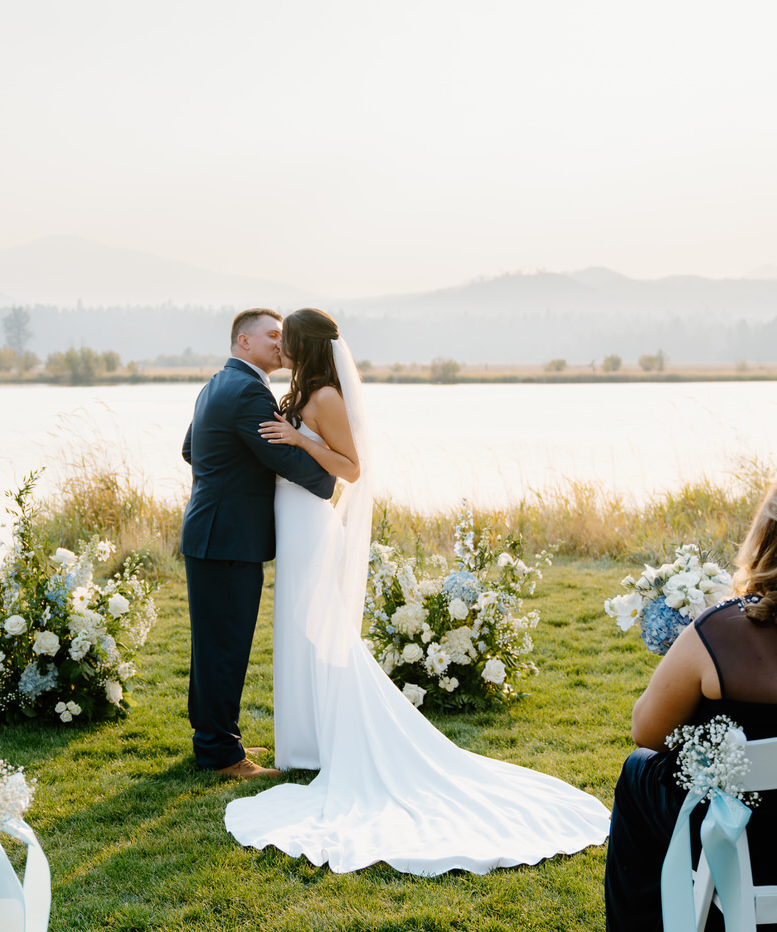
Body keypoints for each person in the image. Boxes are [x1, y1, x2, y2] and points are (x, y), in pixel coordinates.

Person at [225, 309, 611, 874]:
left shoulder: (326, 396)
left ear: (306, 345)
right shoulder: (302, 390)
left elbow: (352, 469)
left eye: (288, 340)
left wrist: (297, 442)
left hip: (311, 524)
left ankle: (326, 742)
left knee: (321, 631)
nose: (279, 347)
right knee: (298, 631)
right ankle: (303, 746)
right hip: (293, 520)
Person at [593, 478, 777, 932]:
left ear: (763, 539)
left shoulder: (719, 633)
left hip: (744, 833)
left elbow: (648, 732)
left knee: (639, 771)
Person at [180, 308, 337, 779]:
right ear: (243, 342)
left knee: (211, 647)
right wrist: (330, 479)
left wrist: (226, 475)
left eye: (282, 335)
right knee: (224, 648)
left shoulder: (216, 383)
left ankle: (209, 743)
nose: (279, 342)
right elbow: (277, 455)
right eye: (271, 335)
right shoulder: (248, 389)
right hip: (227, 538)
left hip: (212, 533)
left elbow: (192, 449)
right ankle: (224, 756)